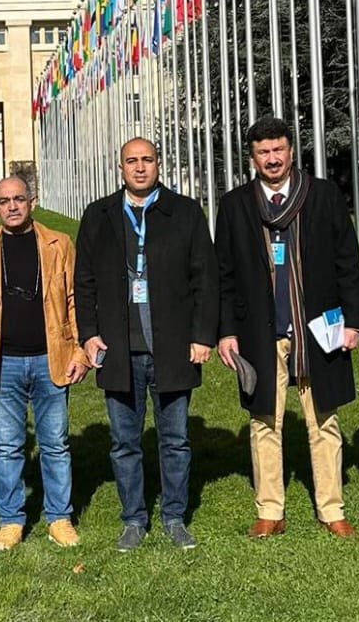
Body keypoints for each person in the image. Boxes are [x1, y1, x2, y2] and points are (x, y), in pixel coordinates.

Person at [215, 116, 359, 540]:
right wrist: (226, 331)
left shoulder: (323, 196)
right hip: (258, 333)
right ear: (252, 158)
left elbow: (348, 262)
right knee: (264, 420)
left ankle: (331, 510)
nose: (272, 158)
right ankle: (270, 510)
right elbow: (223, 274)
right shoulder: (235, 205)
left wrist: (354, 322)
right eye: (263, 152)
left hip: (318, 329)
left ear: (291, 151)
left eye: (278, 149)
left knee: (324, 420)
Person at [74, 137, 218, 552]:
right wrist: (89, 334)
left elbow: (205, 279)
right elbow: (84, 282)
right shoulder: (99, 215)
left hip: (172, 347)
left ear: (159, 164)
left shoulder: (185, 212)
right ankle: (133, 520)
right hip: (119, 349)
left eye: (147, 160)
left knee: (175, 440)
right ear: (120, 167)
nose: (140, 168)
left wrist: (201, 336)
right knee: (124, 443)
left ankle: (174, 517)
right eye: (131, 161)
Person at [0, 175, 89, 552]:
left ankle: (59, 517)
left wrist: (80, 352)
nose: (12, 206)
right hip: (2, 362)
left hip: (52, 358)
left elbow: (77, 301)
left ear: (32, 202)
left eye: (18, 199)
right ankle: (11, 520)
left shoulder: (58, 243)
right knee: (8, 447)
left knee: (55, 444)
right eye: (4, 201)